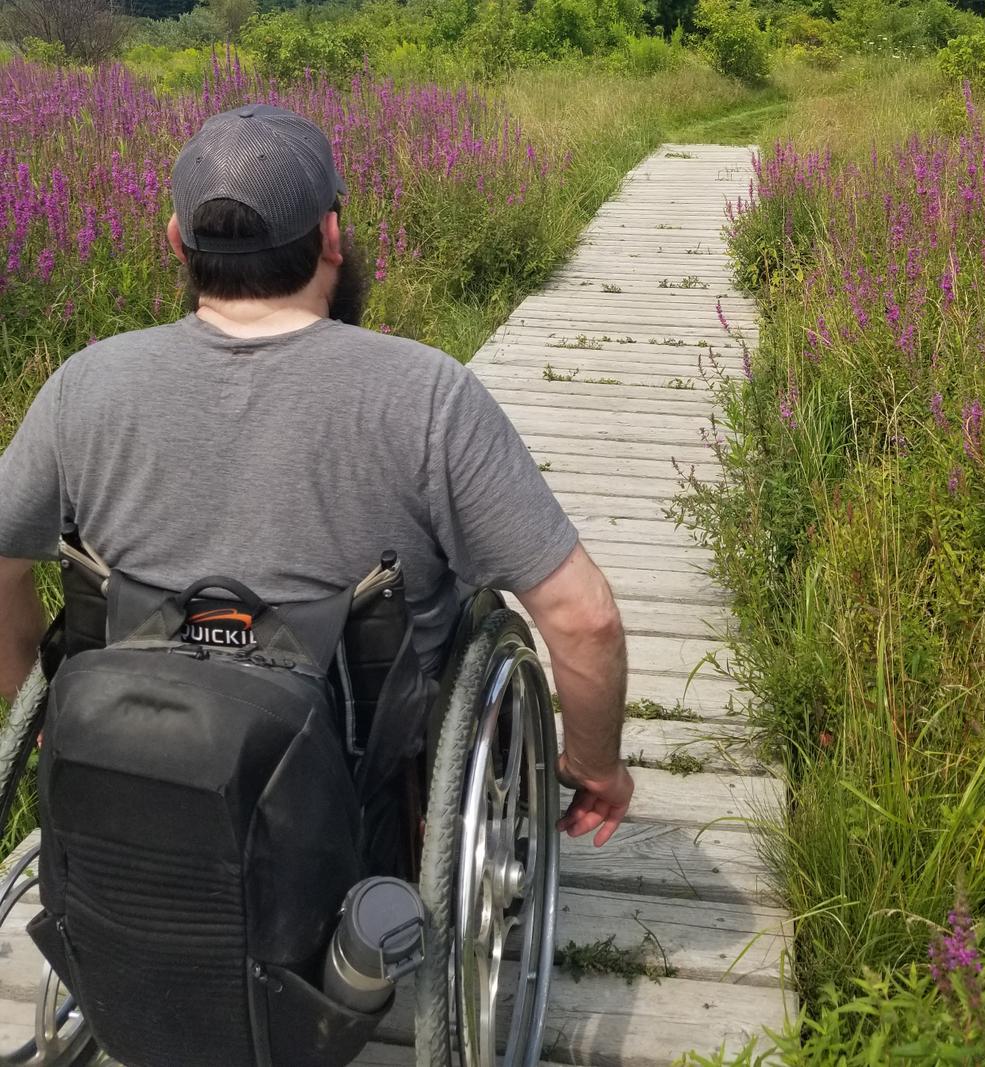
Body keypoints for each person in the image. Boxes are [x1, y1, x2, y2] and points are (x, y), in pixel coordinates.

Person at [0, 104, 633, 848]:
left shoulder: (84, 386)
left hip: (128, 791)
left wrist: (41, 711)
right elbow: (584, 617)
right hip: (350, 814)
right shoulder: (427, 395)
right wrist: (596, 765)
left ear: (177, 243)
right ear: (331, 234)